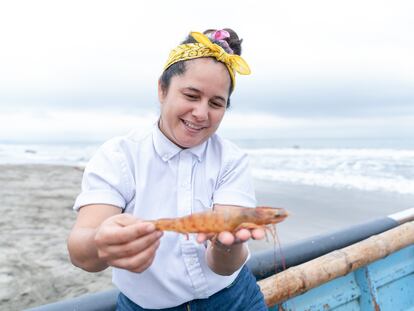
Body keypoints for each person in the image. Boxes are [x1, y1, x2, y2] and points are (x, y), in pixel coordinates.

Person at [67, 28, 268, 310]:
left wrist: (227, 243)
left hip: (235, 300)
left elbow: (223, 267)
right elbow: (81, 251)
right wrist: (100, 243)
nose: (201, 113)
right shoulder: (119, 156)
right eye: (191, 95)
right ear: (162, 89)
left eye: (216, 103)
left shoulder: (231, 160)